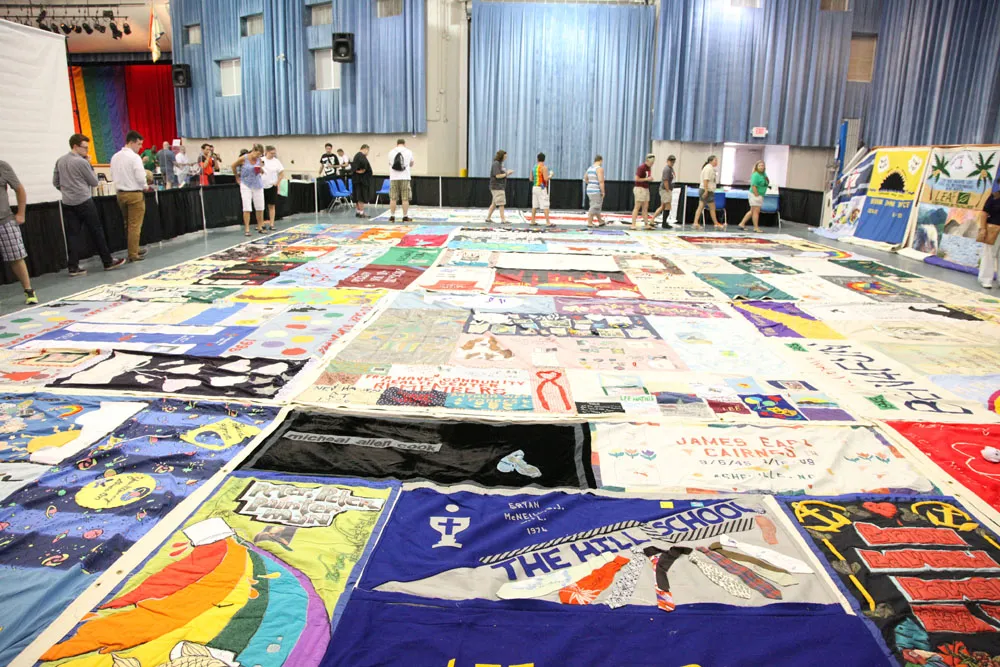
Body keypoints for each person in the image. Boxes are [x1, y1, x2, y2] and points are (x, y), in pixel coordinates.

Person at [53, 133, 127, 277]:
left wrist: (66, 190)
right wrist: (89, 164)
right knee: (96, 231)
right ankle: (107, 261)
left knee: (72, 235)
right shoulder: (82, 162)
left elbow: (55, 182)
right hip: (84, 201)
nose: (87, 151)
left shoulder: (60, 161)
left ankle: (73, 267)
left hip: (67, 202)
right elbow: (94, 181)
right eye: (85, 148)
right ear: (76, 146)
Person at [0, 160, 37, 304]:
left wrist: (21, 213)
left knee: (16, 257)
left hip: (5, 220)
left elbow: (19, 189)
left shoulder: (2, 166)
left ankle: (29, 290)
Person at [109, 130, 148, 263]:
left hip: (120, 194)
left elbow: (112, 174)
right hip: (134, 194)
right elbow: (140, 176)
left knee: (128, 224)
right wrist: (145, 185)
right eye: (139, 144)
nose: (140, 147)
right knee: (135, 225)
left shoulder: (115, 157)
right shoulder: (134, 157)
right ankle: (133, 253)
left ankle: (134, 248)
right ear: (131, 142)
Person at [233, 143, 266, 236]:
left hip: (257, 184)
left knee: (260, 207)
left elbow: (262, 171)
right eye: (257, 154)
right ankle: (247, 229)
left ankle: (260, 226)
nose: (258, 156)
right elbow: (233, 165)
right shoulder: (244, 158)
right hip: (246, 184)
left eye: (260, 155)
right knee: (247, 207)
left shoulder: (259, 159)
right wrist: (237, 177)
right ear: (253, 151)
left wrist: (260, 170)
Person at [979, 175, 1000, 289]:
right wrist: (983, 229)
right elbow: (984, 213)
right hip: (993, 228)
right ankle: (986, 279)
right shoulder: (994, 197)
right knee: (989, 254)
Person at [387, 138, 414, 223]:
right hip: (405, 177)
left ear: (397, 144)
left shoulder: (391, 152)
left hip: (394, 177)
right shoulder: (409, 152)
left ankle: (392, 216)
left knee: (393, 198)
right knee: (405, 198)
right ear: (404, 144)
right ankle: (405, 216)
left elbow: (389, 163)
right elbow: (411, 163)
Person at [739, 160, 769, 233]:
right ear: (756, 167)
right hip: (755, 194)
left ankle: (742, 223)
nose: (761, 167)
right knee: (756, 211)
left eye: (762, 165)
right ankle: (756, 227)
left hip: (761, 194)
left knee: (752, 211)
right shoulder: (755, 175)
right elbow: (753, 185)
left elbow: (766, 182)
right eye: (760, 166)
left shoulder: (764, 174)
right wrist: (756, 194)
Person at [694, 155, 722, 230]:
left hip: (708, 190)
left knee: (702, 207)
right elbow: (705, 180)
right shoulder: (708, 168)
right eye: (715, 160)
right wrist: (706, 191)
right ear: (710, 161)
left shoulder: (711, 168)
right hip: (706, 190)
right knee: (711, 207)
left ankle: (696, 223)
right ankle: (715, 223)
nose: (716, 162)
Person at [486, 150, 514, 224]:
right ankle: (503, 219)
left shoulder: (499, 164)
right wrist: (507, 173)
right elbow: (497, 176)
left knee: (494, 203)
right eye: (505, 156)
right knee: (501, 203)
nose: (506, 157)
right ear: (501, 156)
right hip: (497, 187)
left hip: (498, 186)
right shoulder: (496, 164)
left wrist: (506, 173)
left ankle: (488, 218)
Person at [261, 145, 284, 230]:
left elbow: (281, 173)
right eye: (271, 153)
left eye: (274, 153)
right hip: (261, 186)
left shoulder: (276, 161)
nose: (273, 155)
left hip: (272, 186)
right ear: (266, 152)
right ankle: (261, 223)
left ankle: (272, 224)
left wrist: (277, 183)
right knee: (261, 206)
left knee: (272, 205)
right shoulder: (261, 160)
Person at [651, 155, 677, 229]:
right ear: (667, 161)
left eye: (673, 161)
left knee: (663, 206)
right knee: (668, 206)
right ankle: (664, 223)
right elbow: (665, 180)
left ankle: (652, 219)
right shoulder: (667, 169)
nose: (672, 163)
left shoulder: (671, 169)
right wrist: (668, 190)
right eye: (671, 161)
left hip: (667, 189)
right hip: (665, 190)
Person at [631, 154, 656, 230]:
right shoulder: (641, 167)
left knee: (645, 207)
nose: (652, 164)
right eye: (651, 163)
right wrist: (647, 179)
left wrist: (649, 179)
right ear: (647, 161)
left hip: (645, 188)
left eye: (653, 163)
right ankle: (633, 224)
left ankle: (646, 224)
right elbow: (636, 179)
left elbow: (646, 177)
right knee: (637, 207)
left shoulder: (649, 168)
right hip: (639, 188)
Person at [529, 153, 553, 227]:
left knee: (534, 205)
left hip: (535, 187)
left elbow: (531, 179)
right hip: (541, 188)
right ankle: (548, 222)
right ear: (544, 159)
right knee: (545, 205)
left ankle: (532, 221)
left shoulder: (534, 168)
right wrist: (551, 175)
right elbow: (545, 179)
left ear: (537, 159)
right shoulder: (544, 168)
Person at [352, 144, 373, 219]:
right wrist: (362, 171)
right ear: (365, 149)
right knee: (361, 197)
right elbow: (363, 168)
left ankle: (358, 212)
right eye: (368, 151)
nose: (368, 153)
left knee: (357, 197)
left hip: (356, 180)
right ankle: (361, 213)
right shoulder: (361, 156)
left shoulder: (356, 156)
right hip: (361, 180)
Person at [584, 155, 606, 228]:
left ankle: (600, 221)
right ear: (600, 160)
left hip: (589, 189)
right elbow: (601, 181)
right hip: (596, 190)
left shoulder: (590, 168)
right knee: (595, 206)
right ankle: (589, 222)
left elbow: (585, 179)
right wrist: (603, 191)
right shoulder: (599, 169)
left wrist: (591, 183)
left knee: (596, 206)